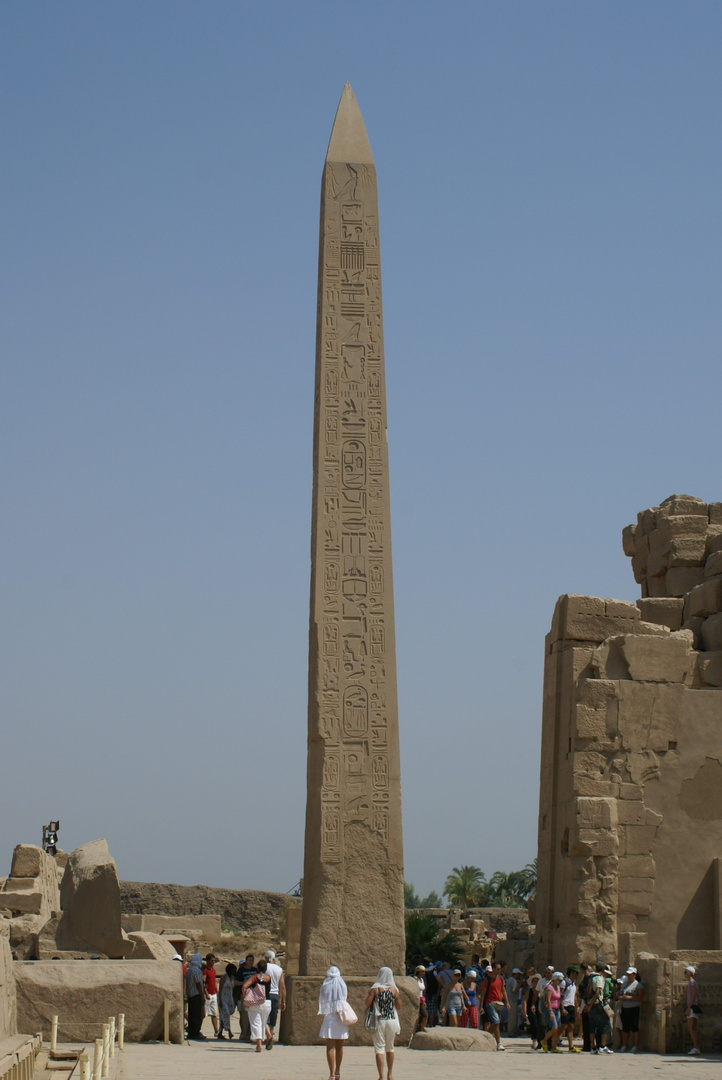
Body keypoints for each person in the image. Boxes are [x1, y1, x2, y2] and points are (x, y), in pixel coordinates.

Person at [365, 967, 401, 1080]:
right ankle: (390, 1074)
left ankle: (381, 1076)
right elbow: (398, 1007)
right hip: (391, 1020)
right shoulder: (395, 990)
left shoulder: (375, 989)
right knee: (390, 1047)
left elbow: (367, 1004)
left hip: (379, 1020)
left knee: (379, 1048)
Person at [318, 965, 349, 1080]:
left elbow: (323, 998)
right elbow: (346, 998)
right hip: (340, 1018)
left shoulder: (325, 986)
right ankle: (338, 1071)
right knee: (339, 1047)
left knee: (330, 1047)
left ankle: (331, 1073)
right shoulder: (342, 985)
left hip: (329, 1018)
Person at [242, 958, 272, 1053]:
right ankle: (268, 1036)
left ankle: (259, 1045)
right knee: (263, 1023)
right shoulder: (269, 978)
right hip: (267, 1002)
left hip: (256, 1002)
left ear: (257, 968)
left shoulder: (254, 977)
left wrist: (245, 996)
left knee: (256, 1023)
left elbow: (244, 986)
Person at [480, 960, 509, 1050]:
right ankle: (499, 1043)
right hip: (490, 1003)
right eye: (497, 969)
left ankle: (485, 1035)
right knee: (496, 1022)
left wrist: (507, 1002)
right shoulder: (487, 980)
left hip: (499, 1003)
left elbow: (503, 991)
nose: (499, 970)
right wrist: (481, 1006)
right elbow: (483, 994)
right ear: (493, 969)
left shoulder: (501, 979)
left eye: (500, 969)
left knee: (497, 1023)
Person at [586, 963, 613, 1053]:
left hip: (591, 1004)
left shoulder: (591, 977)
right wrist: (592, 1005)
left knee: (592, 1026)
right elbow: (597, 992)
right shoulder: (599, 978)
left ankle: (593, 1047)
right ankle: (603, 1045)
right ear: (602, 970)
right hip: (597, 1004)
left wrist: (588, 1005)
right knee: (606, 1024)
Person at [264, 950, 286, 1049]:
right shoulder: (279, 969)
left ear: (266, 958)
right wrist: (284, 1000)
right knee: (273, 1015)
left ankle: (268, 1035)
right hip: (275, 994)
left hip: (266, 994)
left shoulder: (264, 968)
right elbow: (283, 986)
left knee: (265, 1016)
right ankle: (271, 1033)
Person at [618, 966, 643, 1052]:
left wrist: (629, 998)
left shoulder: (638, 985)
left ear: (634, 975)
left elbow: (640, 997)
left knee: (634, 1027)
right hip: (624, 1007)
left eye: (630, 974)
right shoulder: (625, 984)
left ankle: (635, 1045)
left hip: (634, 1008)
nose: (628, 976)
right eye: (627, 974)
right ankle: (625, 1044)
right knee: (625, 1027)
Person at [234, 952, 258, 1042]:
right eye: (249, 960)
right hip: (244, 995)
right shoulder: (241, 971)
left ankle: (251, 1034)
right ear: (246, 961)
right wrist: (244, 983)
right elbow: (235, 982)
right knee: (244, 1016)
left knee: (253, 1015)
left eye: (252, 960)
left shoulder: (255, 970)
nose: (251, 962)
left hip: (254, 995)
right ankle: (244, 1034)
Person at [185, 952, 208, 1040]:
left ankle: (191, 1032)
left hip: (190, 995)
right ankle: (196, 1033)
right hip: (196, 995)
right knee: (197, 1016)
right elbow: (198, 984)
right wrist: (202, 996)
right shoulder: (197, 970)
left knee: (191, 1015)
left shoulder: (189, 969)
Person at [541, 971, 564, 1052]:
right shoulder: (550, 987)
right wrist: (550, 1011)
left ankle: (553, 1047)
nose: (560, 982)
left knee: (557, 1029)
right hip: (550, 1009)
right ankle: (544, 1041)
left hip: (557, 1009)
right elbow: (548, 1000)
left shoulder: (558, 988)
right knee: (554, 1028)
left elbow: (559, 999)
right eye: (559, 980)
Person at [561, 966, 580, 1052]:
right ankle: (551, 1041)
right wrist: (561, 1008)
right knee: (563, 1026)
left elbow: (574, 995)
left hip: (571, 1006)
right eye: (576, 973)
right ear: (572, 973)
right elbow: (561, 995)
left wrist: (577, 1006)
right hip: (565, 1006)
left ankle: (571, 1046)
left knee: (571, 1027)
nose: (577, 975)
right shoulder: (564, 982)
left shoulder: (574, 982)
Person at [524, 972, 543, 1049]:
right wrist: (524, 1011)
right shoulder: (530, 991)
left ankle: (539, 1041)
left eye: (537, 981)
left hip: (539, 1010)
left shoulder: (540, 991)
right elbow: (525, 1001)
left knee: (540, 1025)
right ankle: (534, 1040)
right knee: (535, 1025)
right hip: (530, 1010)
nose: (536, 983)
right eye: (535, 981)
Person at [218, 962, 237, 1039]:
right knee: (225, 1013)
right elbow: (220, 989)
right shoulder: (223, 978)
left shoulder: (233, 978)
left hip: (230, 998)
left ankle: (220, 1032)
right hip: (223, 998)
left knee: (224, 1015)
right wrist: (220, 1000)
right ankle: (229, 1032)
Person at [685, 965, 701, 1056]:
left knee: (691, 1028)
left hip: (692, 1007)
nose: (684, 974)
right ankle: (696, 1047)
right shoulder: (691, 982)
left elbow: (693, 995)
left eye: (685, 972)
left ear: (690, 973)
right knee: (691, 1028)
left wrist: (688, 1008)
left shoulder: (692, 982)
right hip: (692, 1006)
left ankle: (696, 1047)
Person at [203, 954, 220, 1037]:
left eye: (214, 961)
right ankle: (198, 1029)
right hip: (208, 994)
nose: (213, 962)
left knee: (214, 1014)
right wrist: (206, 993)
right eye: (212, 961)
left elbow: (214, 981)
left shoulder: (213, 970)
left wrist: (216, 991)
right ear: (208, 961)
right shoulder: (205, 971)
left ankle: (216, 1030)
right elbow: (204, 983)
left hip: (213, 994)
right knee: (203, 1013)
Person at [424, 961, 440, 1027]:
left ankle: (426, 1024)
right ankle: (431, 1024)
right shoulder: (434, 973)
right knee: (432, 1010)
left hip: (427, 993)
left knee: (427, 1009)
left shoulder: (425, 974)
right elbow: (438, 983)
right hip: (433, 993)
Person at [413, 965, 427, 1033]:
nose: (424, 973)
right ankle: (413, 1032)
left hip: (421, 1000)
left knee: (425, 1016)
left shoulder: (422, 980)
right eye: (422, 971)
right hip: (416, 1000)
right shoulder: (415, 979)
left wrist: (424, 1001)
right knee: (416, 1018)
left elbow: (422, 991)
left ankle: (421, 1030)